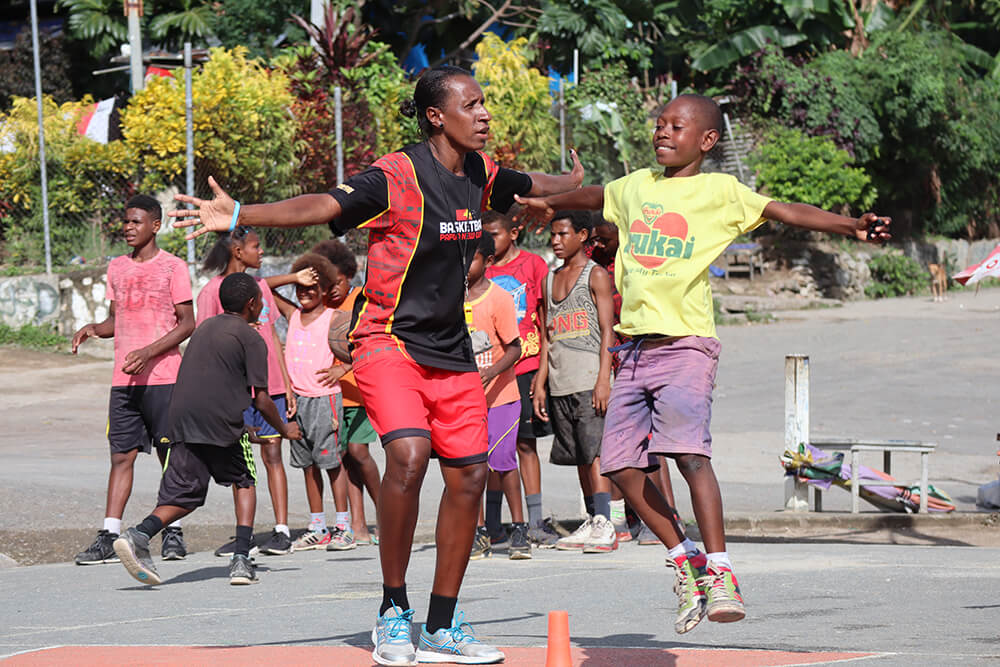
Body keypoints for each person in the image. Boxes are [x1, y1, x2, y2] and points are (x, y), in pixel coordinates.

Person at [171, 64, 582, 665]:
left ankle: (441, 624)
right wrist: (242, 215)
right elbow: (322, 204)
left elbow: (527, 184)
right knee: (410, 456)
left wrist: (566, 181)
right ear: (437, 116)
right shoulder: (397, 175)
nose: (485, 113)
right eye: (472, 105)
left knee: (469, 476)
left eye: (485, 102)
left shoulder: (481, 173)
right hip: (388, 340)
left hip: (451, 349)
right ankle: (394, 611)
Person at [515, 93, 891, 634]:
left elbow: (783, 210)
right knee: (618, 466)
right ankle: (685, 558)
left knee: (689, 456)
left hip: (686, 344)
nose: (662, 132)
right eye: (659, 123)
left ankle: (721, 570)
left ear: (707, 140)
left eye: (677, 126)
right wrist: (550, 201)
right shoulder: (636, 184)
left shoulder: (720, 191)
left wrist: (850, 224)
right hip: (633, 349)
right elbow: (596, 193)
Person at [113, 272, 302, 586]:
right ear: (253, 304)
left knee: (187, 495)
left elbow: (213, 382)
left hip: (182, 420)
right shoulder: (252, 337)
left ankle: (138, 534)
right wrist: (284, 429)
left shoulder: (204, 329)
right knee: (244, 480)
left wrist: (239, 425)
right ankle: (242, 558)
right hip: (219, 422)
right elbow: (264, 399)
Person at [71, 195, 195, 566]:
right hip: (124, 383)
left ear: (155, 226)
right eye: (125, 221)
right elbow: (117, 321)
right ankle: (109, 535)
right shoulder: (117, 268)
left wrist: (149, 352)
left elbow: (187, 323)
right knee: (121, 456)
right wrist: (94, 328)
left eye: (136, 222)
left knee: (168, 454)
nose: (128, 227)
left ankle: (170, 532)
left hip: (163, 379)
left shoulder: (173, 267)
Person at [196, 226, 307, 557]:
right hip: (236, 390)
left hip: (270, 384)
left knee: (273, 453)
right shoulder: (211, 292)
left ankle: (282, 530)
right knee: (242, 463)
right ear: (237, 249)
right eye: (256, 246)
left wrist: (286, 385)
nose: (261, 252)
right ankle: (244, 534)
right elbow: (206, 343)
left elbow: (273, 335)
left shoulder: (261, 287)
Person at [590, 216, 683, 546]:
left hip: (645, 358)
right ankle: (624, 519)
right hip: (615, 360)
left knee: (650, 445)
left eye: (603, 239)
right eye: (595, 239)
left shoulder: (640, 263)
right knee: (618, 443)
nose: (597, 244)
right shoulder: (596, 262)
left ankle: (668, 514)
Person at [531, 211, 618, 554]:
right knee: (580, 455)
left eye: (562, 234)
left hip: (587, 376)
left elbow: (608, 330)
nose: (555, 241)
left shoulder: (595, 275)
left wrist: (603, 378)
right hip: (560, 379)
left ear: (582, 235)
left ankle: (606, 523)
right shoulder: (549, 280)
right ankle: (593, 519)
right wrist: (540, 381)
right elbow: (546, 335)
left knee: (595, 451)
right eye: (552, 235)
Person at [482, 208, 560, 548]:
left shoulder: (533, 265)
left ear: (513, 233)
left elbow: (546, 323)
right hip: (489, 373)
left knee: (525, 445)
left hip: (525, 366)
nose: (489, 240)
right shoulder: (478, 269)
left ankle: (534, 521)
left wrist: (542, 376)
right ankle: (493, 524)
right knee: (490, 450)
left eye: (495, 233)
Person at [311, 239, 381, 546]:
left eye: (337, 282)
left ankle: (390, 515)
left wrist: (345, 367)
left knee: (358, 452)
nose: (333, 289)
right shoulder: (320, 306)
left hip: (359, 392)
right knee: (345, 460)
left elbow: (372, 347)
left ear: (349, 275)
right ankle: (359, 526)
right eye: (327, 284)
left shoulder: (360, 301)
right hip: (330, 396)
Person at [282, 252, 355, 552]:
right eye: (300, 287)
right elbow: (259, 285)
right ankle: (317, 527)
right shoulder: (292, 315)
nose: (305, 293)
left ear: (325, 289)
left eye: (313, 287)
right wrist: (293, 276)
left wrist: (344, 367)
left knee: (332, 464)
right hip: (296, 401)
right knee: (307, 466)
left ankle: (343, 527)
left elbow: (365, 346)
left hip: (324, 400)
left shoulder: (335, 319)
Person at [464, 234, 528, 561]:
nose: (464, 263)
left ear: (488, 262)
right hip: (465, 399)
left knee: (503, 461)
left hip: (501, 395)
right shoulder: (449, 298)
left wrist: (491, 372)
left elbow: (515, 347)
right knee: (471, 466)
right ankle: (478, 534)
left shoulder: (499, 299)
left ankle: (519, 528)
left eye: (471, 257)